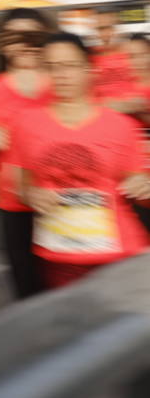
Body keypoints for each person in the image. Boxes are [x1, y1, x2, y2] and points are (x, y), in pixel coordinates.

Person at [12, 32, 150, 288]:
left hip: (119, 255)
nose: (61, 75)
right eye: (52, 67)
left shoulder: (120, 126)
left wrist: (143, 185)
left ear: (89, 69)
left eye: (69, 66)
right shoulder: (27, 124)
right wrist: (32, 195)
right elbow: (22, 188)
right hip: (59, 256)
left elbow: (141, 189)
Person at [0, 8, 54, 300]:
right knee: (27, 287)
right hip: (12, 203)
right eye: (16, 37)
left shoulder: (64, 84)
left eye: (34, 36)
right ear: (3, 45)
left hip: (65, 198)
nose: (26, 44)